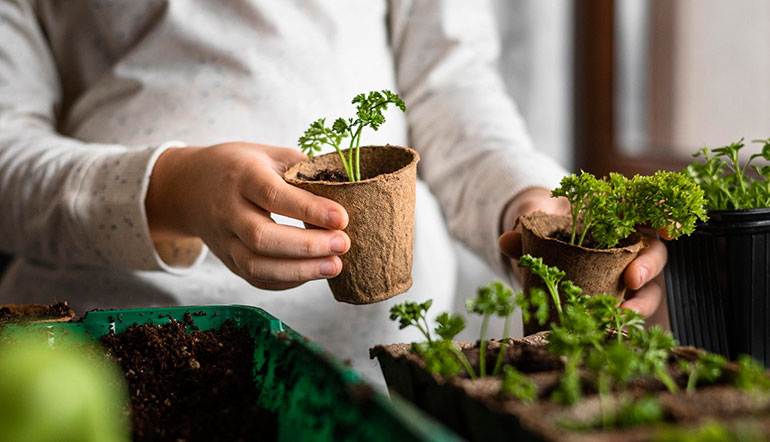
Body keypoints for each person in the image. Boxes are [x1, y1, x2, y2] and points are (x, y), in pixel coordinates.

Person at [0, 0, 666, 384]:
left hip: (390, 370)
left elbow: (449, 87)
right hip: (111, 359)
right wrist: (172, 189)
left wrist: (528, 205)